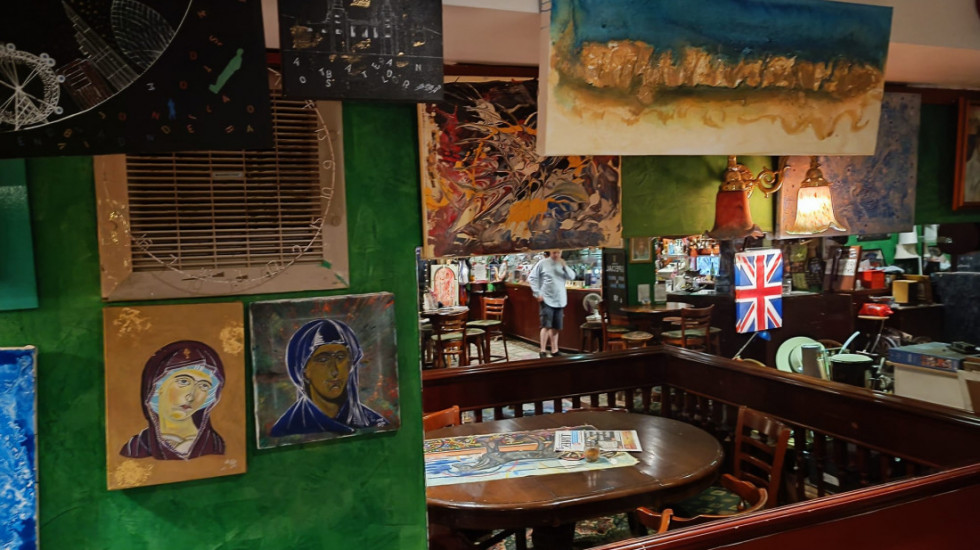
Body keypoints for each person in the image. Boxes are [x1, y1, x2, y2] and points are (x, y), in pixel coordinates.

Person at [270, 319, 388, 437]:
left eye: (340, 357)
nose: (334, 371)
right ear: (304, 371)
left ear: (350, 365)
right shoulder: (287, 429)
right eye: (323, 359)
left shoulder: (373, 422)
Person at [121, 341, 226, 459]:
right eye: (183, 381)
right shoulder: (137, 447)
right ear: (158, 386)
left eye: (204, 386)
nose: (191, 396)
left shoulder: (214, 444)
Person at [527, 250, 576, 358]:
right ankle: (542, 350)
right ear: (550, 252)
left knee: (556, 326)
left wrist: (564, 266)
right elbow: (532, 278)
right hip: (546, 299)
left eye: (558, 252)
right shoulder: (542, 263)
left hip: (560, 300)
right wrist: (537, 293)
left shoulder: (562, 264)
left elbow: (572, 276)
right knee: (546, 326)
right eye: (554, 252)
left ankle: (555, 350)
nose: (556, 254)